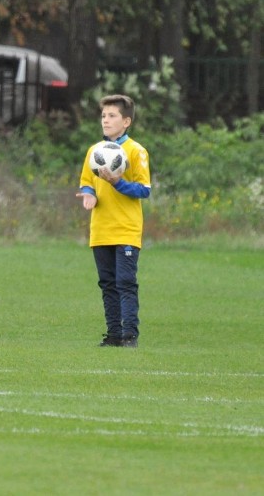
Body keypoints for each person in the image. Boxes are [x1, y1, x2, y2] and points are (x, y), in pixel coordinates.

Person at [76, 94, 151, 348]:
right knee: (107, 284)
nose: (105, 121)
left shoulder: (136, 151)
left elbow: (144, 190)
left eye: (112, 116)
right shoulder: (94, 151)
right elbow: (86, 182)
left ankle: (130, 334)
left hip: (126, 229)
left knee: (125, 282)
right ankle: (113, 335)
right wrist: (89, 196)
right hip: (100, 230)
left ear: (126, 121)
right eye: (103, 116)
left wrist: (117, 183)